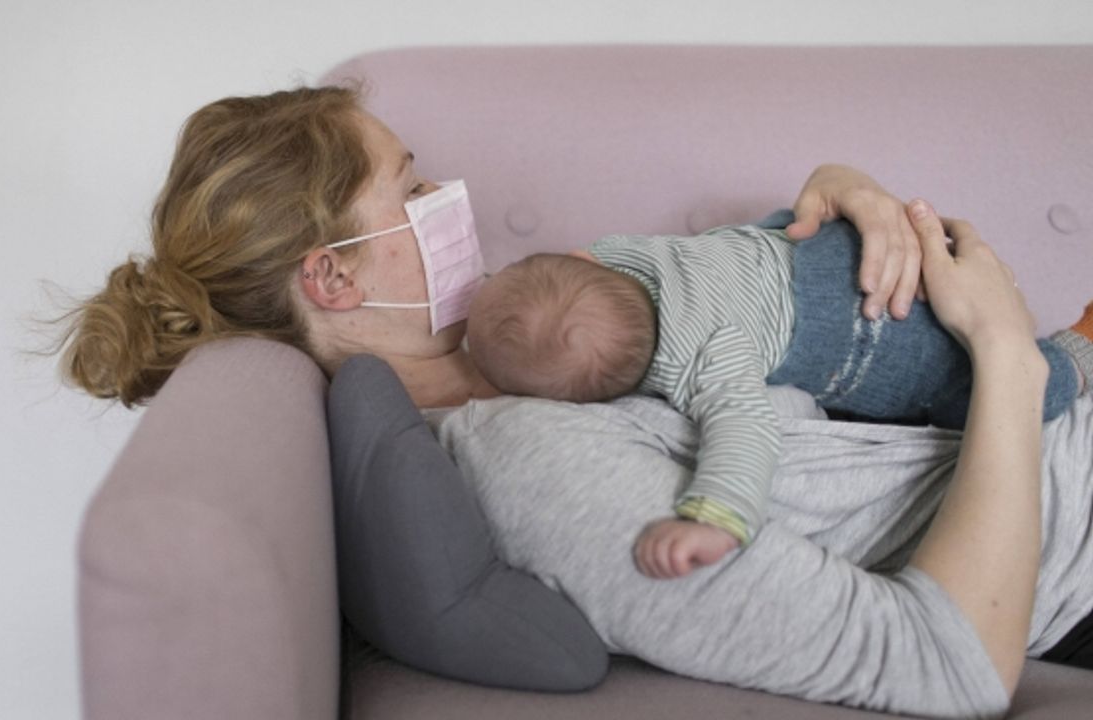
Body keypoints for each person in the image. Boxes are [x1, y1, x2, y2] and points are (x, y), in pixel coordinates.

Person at [55, 86, 1092, 716]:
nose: (445, 200)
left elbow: (744, 317)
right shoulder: (530, 465)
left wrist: (839, 197)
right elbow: (946, 664)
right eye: (411, 190)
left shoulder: (541, 339)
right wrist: (1006, 350)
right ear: (331, 277)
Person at [464, 219, 1093, 578]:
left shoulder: (707, 358)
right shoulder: (630, 255)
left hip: (884, 340)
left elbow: (744, 434)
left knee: (994, 396)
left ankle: (1077, 353)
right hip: (858, 254)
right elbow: (568, 274)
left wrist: (717, 518)